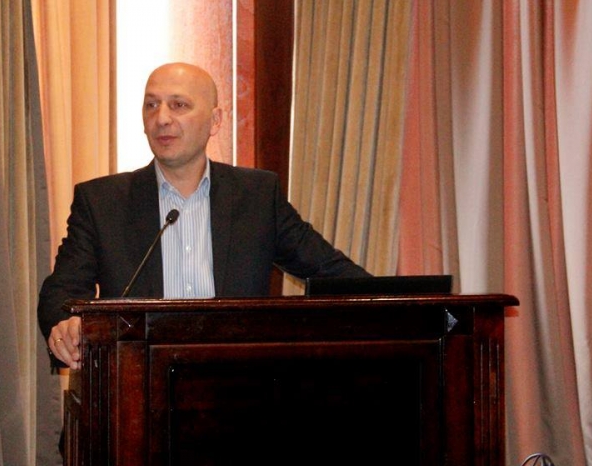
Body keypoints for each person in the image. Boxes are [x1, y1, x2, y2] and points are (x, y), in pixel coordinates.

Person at [38, 62, 370, 369]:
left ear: (215, 121)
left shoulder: (256, 196)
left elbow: (331, 273)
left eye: (178, 105)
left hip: (234, 384)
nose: (162, 118)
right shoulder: (102, 202)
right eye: (151, 105)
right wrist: (64, 325)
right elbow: (61, 292)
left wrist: (395, 302)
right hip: (137, 385)